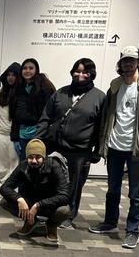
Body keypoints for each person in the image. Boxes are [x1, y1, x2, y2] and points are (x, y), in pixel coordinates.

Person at [88, 46, 139, 249]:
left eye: (132, 60)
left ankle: (132, 230)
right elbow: (107, 116)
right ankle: (110, 222)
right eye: (125, 60)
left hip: (136, 148)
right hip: (115, 146)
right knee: (112, 189)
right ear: (120, 63)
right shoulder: (115, 86)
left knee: (136, 193)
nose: (128, 64)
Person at [36, 58, 105, 229]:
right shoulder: (61, 93)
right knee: (51, 181)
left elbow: (102, 126)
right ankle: (49, 211)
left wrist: (98, 151)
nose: (80, 75)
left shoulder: (99, 97)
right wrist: (39, 140)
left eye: (85, 72)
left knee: (73, 185)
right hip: (55, 147)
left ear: (91, 75)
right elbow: (45, 117)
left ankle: (68, 215)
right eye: (77, 71)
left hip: (80, 151)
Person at [0, 139, 70, 242]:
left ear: (44, 157)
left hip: (50, 204)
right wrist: (19, 199)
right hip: (29, 202)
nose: (34, 161)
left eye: (38, 157)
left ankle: (51, 225)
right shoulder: (23, 166)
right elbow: (4, 188)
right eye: (30, 157)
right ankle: (31, 221)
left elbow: (64, 196)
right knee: (4, 202)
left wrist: (39, 205)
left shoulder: (55, 166)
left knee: (64, 210)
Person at [11, 58, 55, 161]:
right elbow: (14, 115)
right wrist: (15, 138)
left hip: (38, 134)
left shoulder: (44, 86)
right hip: (22, 134)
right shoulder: (18, 88)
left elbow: (49, 113)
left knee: (38, 164)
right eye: (25, 68)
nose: (27, 71)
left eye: (31, 68)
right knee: (23, 164)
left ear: (36, 70)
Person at [0, 62, 20, 204]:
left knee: (14, 166)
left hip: (14, 136)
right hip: (0, 134)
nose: (10, 78)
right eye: (8, 75)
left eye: (14, 75)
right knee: (1, 166)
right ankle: (3, 193)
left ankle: (13, 195)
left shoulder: (21, 92)